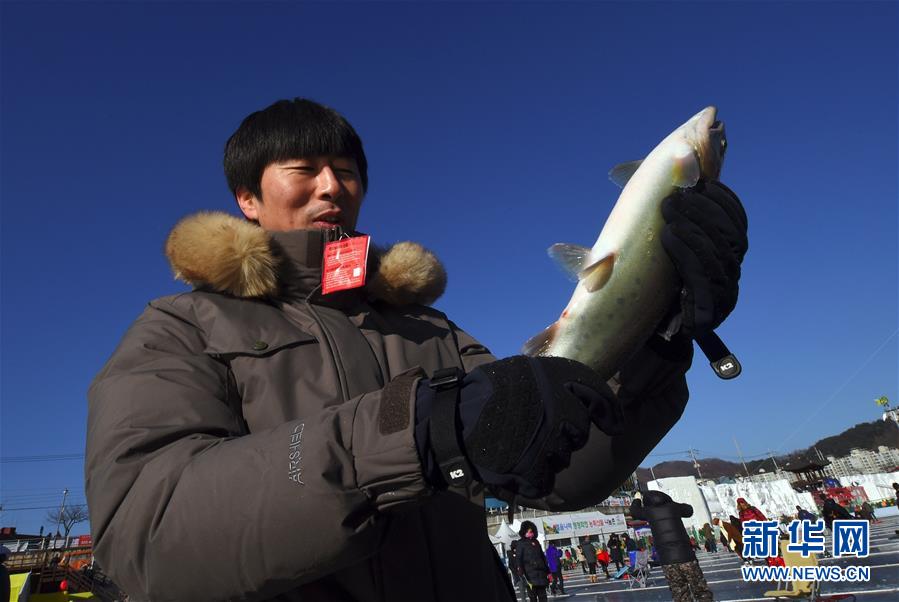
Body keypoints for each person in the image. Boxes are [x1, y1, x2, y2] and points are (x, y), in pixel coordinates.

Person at [84, 97, 749, 601]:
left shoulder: (432, 331)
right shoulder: (181, 326)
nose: (330, 187)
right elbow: (145, 535)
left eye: (345, 171)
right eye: (303, 169)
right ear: (247, 199)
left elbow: (561, 468)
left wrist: (652, 337)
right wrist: (416, 434)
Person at [630, 490, 713, 602]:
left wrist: (637, 499)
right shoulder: (673, 507)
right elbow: (689, 510)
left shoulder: (648, 511)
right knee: (700, 589)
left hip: (667, 560)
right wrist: (672, 503)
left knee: (680, 592)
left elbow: (634, 512)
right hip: (686, 556)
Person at [515, 522, 550, 602]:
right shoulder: (520, 543)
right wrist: (520, 569)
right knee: (533, 597)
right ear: (524, 532)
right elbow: (519, 558)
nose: (531, 534)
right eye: (529, 532)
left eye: (532, 532)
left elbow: (542, 556)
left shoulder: (536, 542)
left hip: (541, 574)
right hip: (529, 575)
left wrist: (547, 570)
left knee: (543, 597)